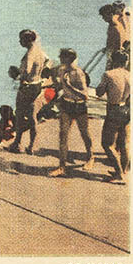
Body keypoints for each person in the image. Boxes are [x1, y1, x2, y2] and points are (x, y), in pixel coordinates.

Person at [49, 48, 94, 177]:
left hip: (79, 106)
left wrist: (69, 87)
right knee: (63, 135)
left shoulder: (78, 73)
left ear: (70, 59)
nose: (60, 60)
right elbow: (58, 83)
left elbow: (85, 95)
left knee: (84, 133)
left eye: (63, 58)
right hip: (66, 105)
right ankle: (62, 166)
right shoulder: (62, 70)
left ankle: (90, 157)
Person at [9, 29, 49, 155]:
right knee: (32, 117)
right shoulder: (40, 51)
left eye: (21, 39)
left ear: (27, 40)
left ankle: (17, 143)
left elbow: (26, 71)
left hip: (26, 87)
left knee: (20, 115)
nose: (20, 41)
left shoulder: (30, 53)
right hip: (37, 86)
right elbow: (47, 61)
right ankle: (32, 145)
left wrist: (16, 73)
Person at [95, 50, 130, 183]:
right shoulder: (130, 75)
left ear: (113, 61)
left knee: (107, 144)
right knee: (124, 143)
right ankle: (124, 171)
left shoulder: (108, 74)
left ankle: (119, 174)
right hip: (126, 109)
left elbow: (99, 92)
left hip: (114, 110)